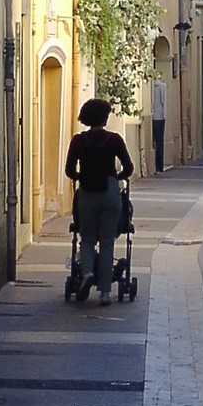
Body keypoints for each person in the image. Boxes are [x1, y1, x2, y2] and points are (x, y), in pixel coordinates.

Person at [65, 98, 134, 306]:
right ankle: (105, 293)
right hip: (110, 191)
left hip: (87, 192)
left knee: (86, 237)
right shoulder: (114, 139)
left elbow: (69, 171)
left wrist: (82, 176)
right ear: (105, 118)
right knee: (107, 241)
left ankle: (87, 273)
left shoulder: (78, 141)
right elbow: (128, 167)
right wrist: (116, 178)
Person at [152, 78, 167, 173]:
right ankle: (159, 166)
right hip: (160, 117)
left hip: (154, 116)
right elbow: (164, 102)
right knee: (159, 141)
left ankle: (158, 165)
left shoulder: (154, 86)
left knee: (155, 142)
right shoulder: (162, 86)